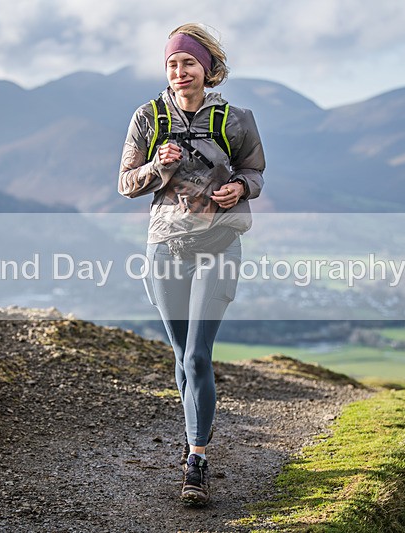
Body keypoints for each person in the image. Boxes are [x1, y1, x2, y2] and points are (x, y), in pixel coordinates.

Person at [118, 23, 265, 506]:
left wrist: (240, 188)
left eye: (188, 63)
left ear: (207, 68)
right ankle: (194, 434)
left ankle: (196, 461)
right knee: (182, 357)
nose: (180, 71)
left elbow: (255, 171)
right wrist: (158, 166)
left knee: (198, 356)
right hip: (165, 247)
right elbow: (125, 183)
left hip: (219, 243)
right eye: (172, 64)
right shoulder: (147, 118)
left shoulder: (236, 119)